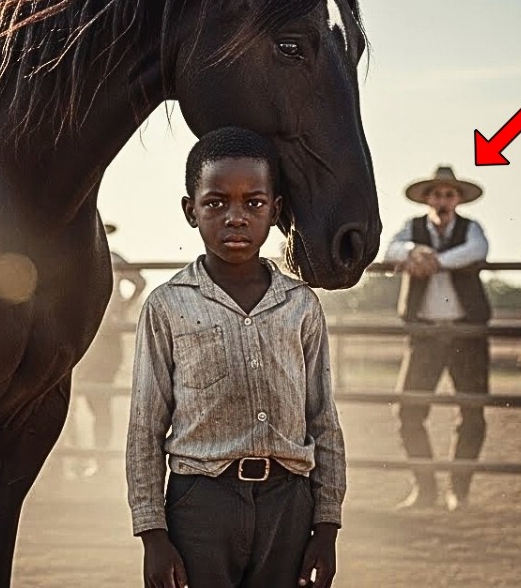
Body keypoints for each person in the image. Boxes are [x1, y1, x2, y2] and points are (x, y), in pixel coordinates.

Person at [126, 127, 344, 588]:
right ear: (191, 210)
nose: (236, 218)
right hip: (200, 502)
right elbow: (146, 426)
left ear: (276, 210)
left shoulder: (301, 305)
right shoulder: (168, 305)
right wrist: (152, 534)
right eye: (216, 202)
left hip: (289, 501)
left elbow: (322, 417)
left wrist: (326, 527)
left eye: (254, 203)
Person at [383, 165, 490, 512]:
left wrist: (435, 261)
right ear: (427, 199)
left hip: (465, 333)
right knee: (409, 412)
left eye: (449, 194)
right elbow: (390, 250)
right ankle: (425, 488)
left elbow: (476, 250)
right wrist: (415, 250)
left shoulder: (470, 228)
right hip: (425, 333)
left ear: (458, 199)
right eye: (437, 194)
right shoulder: (412, 231)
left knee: (471, 413)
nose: (443, 200)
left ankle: (459, 490)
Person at [67, 222, 146, 478]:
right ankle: (81, 460)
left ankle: (93, 461)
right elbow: (140, 281)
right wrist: (123, 305)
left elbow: (140, 281)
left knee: (94, 399)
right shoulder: (91, 258)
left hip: (96, 337)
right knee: (79, 400)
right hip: (88, 335)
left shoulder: (103, 258)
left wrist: (122, 305)